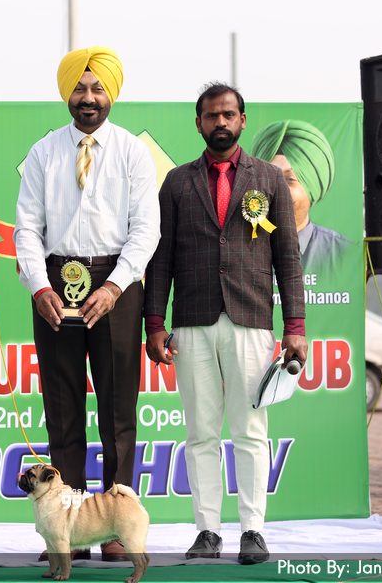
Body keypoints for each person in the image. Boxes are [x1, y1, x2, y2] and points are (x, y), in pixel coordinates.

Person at [145, 82, 307, 564]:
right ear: (198, 123)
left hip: (250, 319)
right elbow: (161, 259)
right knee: (200, 433)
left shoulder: (268, 179)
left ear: (242, 120)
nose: (220, 122)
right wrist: (154, 323)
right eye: (212, 115)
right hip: (192, 322)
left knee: (251, 431)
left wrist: (295, 326)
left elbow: (288, 257)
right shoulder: (176, 182)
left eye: (228, 114)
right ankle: (208, 532)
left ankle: (253, 530)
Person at [14, 46, 161, 562]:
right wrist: (39, 286)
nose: (89, 97)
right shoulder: (44, 152)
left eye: (98, 87)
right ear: (67, 94)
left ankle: (115, 528)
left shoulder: (131, 152)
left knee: (118, 409)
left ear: (111, 93)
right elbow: (26, 229)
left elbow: (146, 229)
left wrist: (115, 285)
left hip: (117, 283)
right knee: (63, 406)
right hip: (55, 282)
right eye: (79, 87)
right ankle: (68, 529)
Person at [251, 119, 349, 275]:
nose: (278, 190)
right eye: (270, 179)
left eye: (290, 180)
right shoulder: (241, 248)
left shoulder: (341, 253)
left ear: (313, 186)